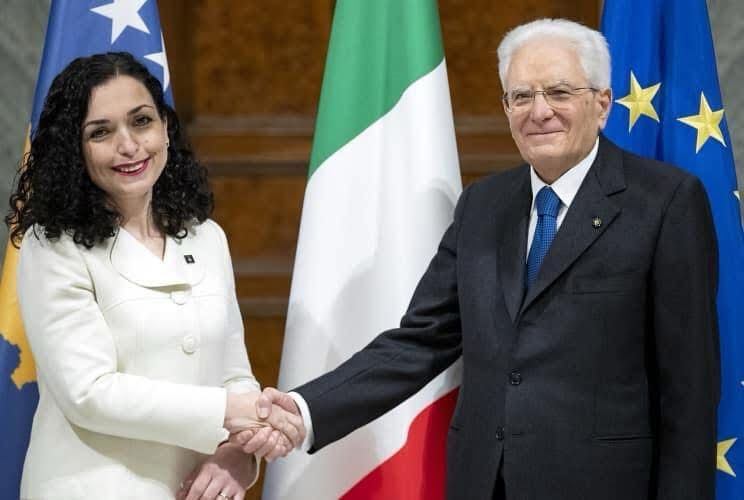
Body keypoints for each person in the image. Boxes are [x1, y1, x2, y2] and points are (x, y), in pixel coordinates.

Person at [239, 18, 720, 500]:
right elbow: (422, 339)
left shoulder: (665, 202)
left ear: (602, 103)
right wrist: (304, 410)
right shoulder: (483, 206)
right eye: (521, 96)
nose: (539, 112)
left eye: (559, 92)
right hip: (483, 482)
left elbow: (689, 388)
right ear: (506, 108)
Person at [5, 52, 302, 500]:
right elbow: (90, 393)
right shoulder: (51, 245)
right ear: (74, 149)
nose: (128, 145)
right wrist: (237, 412)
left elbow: (234, 374)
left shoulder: (207, 237)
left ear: (165, 127)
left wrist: (240, 454)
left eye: (141, 121)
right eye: (101, 132)